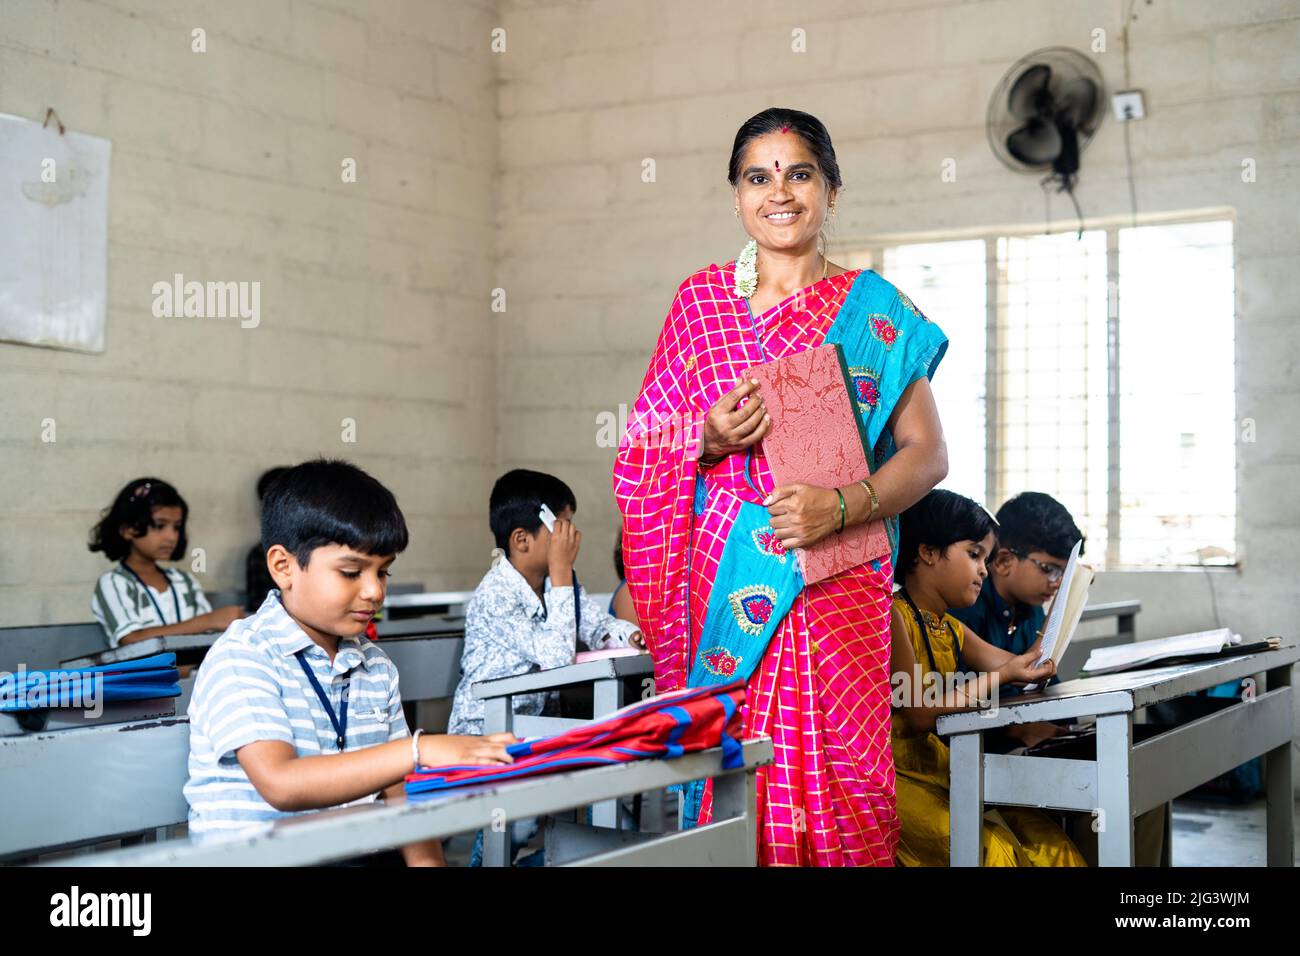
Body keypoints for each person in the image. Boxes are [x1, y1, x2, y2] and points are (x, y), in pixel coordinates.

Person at [613, 107, 949, 865]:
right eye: (757, 177)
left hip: (838, 586)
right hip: (727, 589)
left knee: (844, 784)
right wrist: (705, 437)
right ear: (736, 196)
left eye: (799, 174)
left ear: (831, 189)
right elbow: (639, 448)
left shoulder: (875, 312)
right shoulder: (700, 307)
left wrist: (840, 506)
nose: (780, 192)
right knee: (740, 775)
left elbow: (926, 455)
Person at [183, 459, 514, 864]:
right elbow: (281, 784)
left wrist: (428, 863)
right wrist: (418, 750)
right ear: (283, 567)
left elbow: (398, 791)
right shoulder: (244, 656)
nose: (374, 591)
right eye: (351, 572)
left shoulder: (376, 666)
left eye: (384, 572)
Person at [889, 489, 1086, 866]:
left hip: (945, 771)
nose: (984, 568)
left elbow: (1020, 662)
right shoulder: (895, 617)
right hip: (905, 780)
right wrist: (1003, 674)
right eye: (974, 554)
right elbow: (918, 713)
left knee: (1051, 845)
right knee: (995, 852)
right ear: (928, 552)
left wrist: (1056, 622)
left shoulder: (950, 628)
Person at [89, 477, 243, 648]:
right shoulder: (114, 582)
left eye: (176, 527)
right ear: (128, 530)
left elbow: (206, 640)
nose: (171, 537)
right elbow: (131, 640)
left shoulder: (185, 581)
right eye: (160, 525)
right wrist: (208, 621)